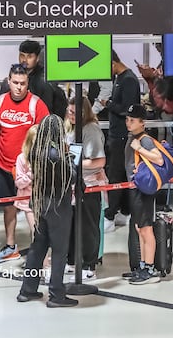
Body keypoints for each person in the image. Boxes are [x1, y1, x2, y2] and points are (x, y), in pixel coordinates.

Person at [0, 64, 49, 263]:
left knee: (33, 210)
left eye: (22, 83)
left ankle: (39, 253)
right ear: (8, 81)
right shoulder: (0, 103)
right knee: (8, 207)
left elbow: (44, 136)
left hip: (28, 170)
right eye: (15, 83)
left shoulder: (37, 104)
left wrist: (36, 164)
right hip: (5, 166)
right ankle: (10, 246)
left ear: (28, 83)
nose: (19, 87)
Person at [16, 114, 78, 308]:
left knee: (38, 247)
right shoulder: (58, 154)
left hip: (40, 204)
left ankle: (28, 289)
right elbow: (71, 177)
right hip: (58, 205)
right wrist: (70, 156)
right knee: (59, 250)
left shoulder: (36, 151)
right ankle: (56, 295)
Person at [64, 96, 106, 281]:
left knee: (88, 227)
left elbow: (99, 161)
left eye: (75, 112)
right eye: (69, 111)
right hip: (72, 185)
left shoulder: (91, 130)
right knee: (71, 225)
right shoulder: (70, 127)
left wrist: (75, 163)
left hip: (89, 186)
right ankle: (72, 260)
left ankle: (90, 263)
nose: (71, 115)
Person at [124, 104, 164, 284]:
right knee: (139, 228)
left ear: (142, 122)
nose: (128, 123)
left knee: (146, 229)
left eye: (132, 120)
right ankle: (142, 266)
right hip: (135, 188)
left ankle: (150, 269)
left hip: (143, 189)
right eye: (127, 119)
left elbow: (159, 159)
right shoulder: (134, 137)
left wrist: (139, 148)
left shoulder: (144, 140)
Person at [101, 50, 140, 232]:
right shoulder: (120, 79)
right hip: (117, 134)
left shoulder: (129, 80)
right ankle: (122, 212)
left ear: (113, 63)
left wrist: (108, 105)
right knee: (120, 174)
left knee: (116, 175)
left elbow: (128, 109)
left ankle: (111, 214)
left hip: (122, 137)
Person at [0, 40, 68, 118]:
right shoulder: (13, 75)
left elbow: (47, 111)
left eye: (29, 56)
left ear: (37, 58)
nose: (25, 60)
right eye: (22, 55)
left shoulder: (44, 81)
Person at [14, 125, 38, 242]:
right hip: (29, 202)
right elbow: (19, 183)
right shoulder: (22, 158)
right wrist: (31, 174)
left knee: (48, 233)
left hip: (48, 200)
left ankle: (46, 259)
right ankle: (41, 260)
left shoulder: (50, 156)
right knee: (36, 232)